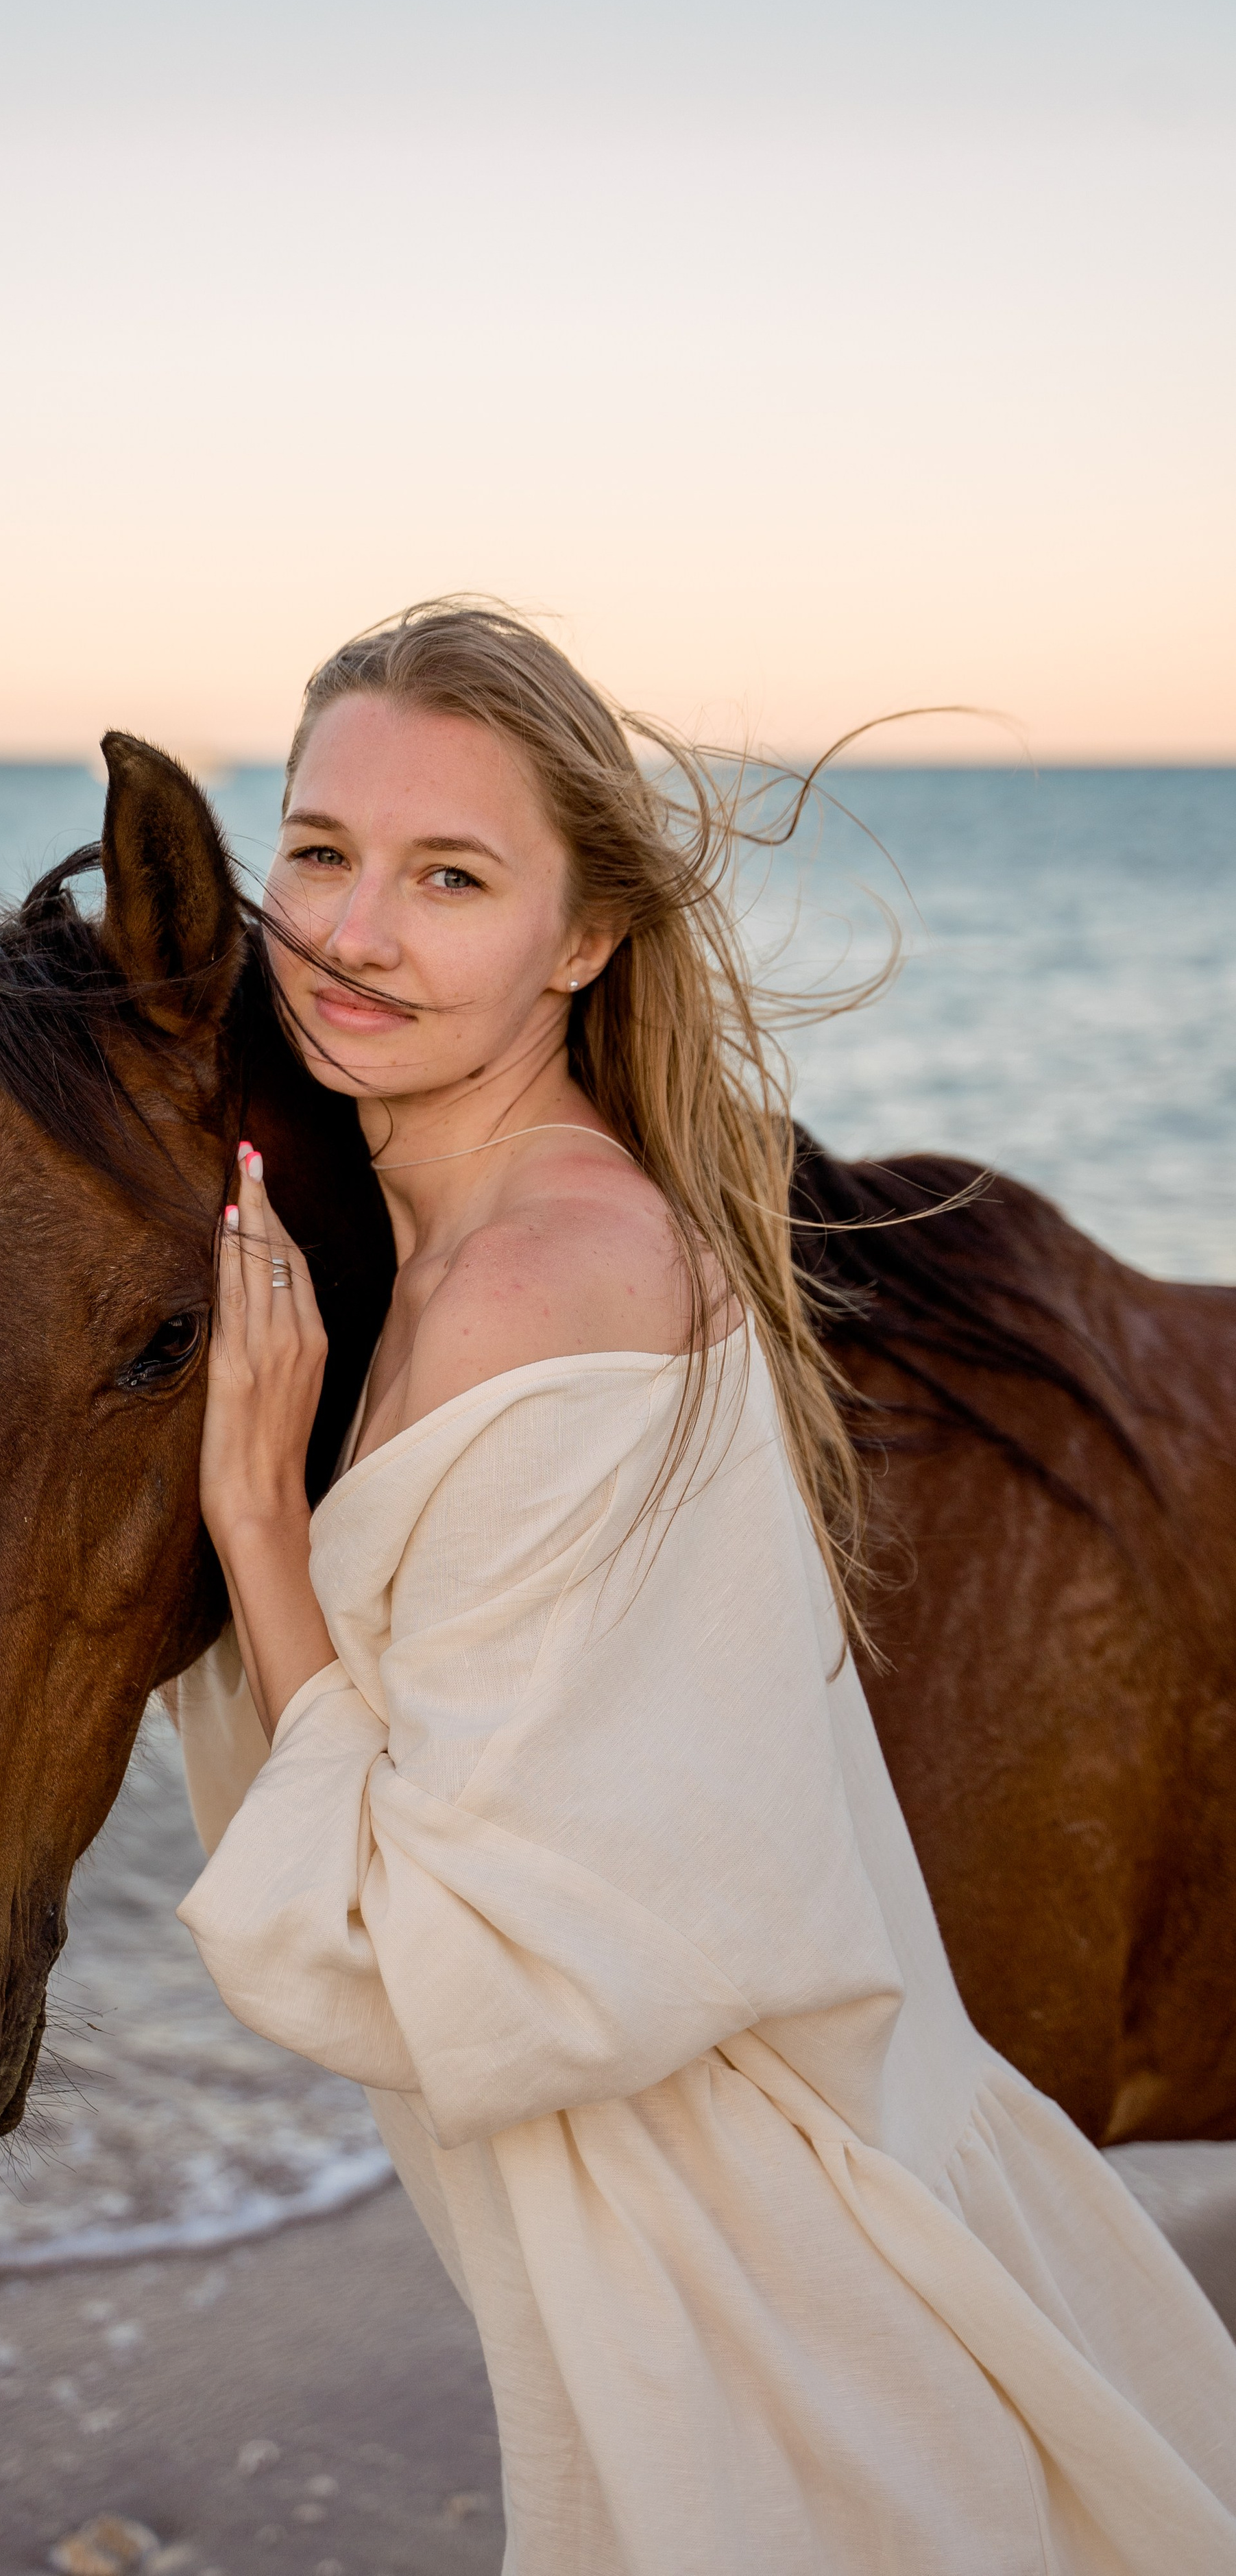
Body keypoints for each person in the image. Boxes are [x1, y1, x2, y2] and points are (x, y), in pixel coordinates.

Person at [165, 600, 1236, 2573]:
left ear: (584, 940)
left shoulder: (534, 1278)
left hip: (737, 2308)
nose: (351, 931)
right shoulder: (499, 1221)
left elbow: (455, 1965)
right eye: (318, 850)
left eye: (452, 876)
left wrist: (251, 1520)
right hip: (703, 2234)